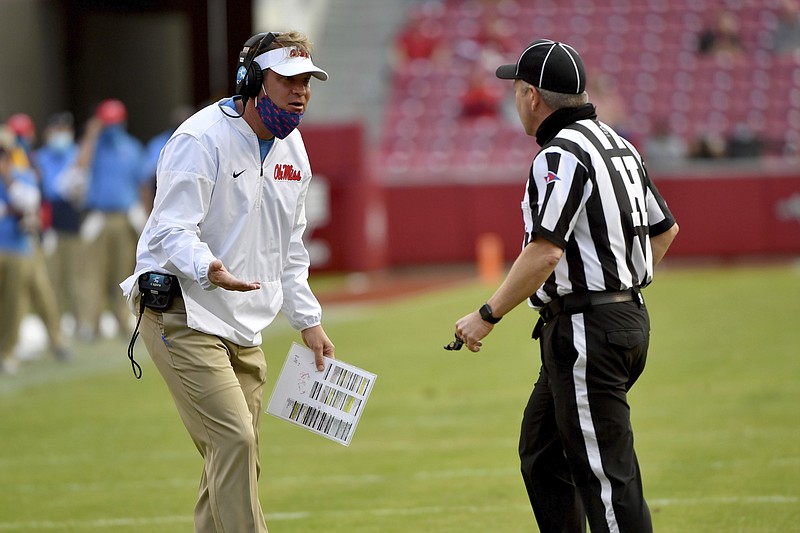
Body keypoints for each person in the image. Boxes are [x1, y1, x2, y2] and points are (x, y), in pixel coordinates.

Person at [450, 39, 679, 532]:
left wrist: (486, 315)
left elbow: (545, 249)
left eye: (516, 90)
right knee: (543, 453)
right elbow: (665, 230)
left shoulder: (561, 154)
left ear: (532, 96)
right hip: (620, 319)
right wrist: (621, 285)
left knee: (605, 480)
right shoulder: (619, 145)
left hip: (587, 329)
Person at [119, 30, 335, 532]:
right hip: (182, 311)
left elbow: (291, 247)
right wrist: (207, 266)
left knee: (234, 456)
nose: (301, 91)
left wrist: (308, 320)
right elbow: (171, 228)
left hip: (244, 323)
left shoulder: (293, 150)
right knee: (235, 442)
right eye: (289, 79)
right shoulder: (200, 139)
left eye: (307, 81)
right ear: (253, 79)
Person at [77, 99, 145, 341]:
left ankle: (123, 320)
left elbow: (142, 184)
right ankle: (89, 324)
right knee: (92, 274)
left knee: (124, 273)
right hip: (99, 217)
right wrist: (91, 135)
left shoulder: (132, 147)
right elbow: (81, 165)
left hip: (125, 217)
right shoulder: (95, 147)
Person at [35, 112, 86, 338]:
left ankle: (78, 323)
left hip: (73, 219)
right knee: (52, 277)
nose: (62, 135)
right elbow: (44, 191)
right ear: (48, 132)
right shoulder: (40, 157)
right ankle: (53, 327)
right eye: (58, 130)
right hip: (50, 221)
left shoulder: (75, 153)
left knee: (76, 277)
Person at [0, 126, 41, 374]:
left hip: (16, 248)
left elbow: (28, 202)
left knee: (13, 303)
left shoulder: (22, 175)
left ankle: (8, 351)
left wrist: (8, 177)